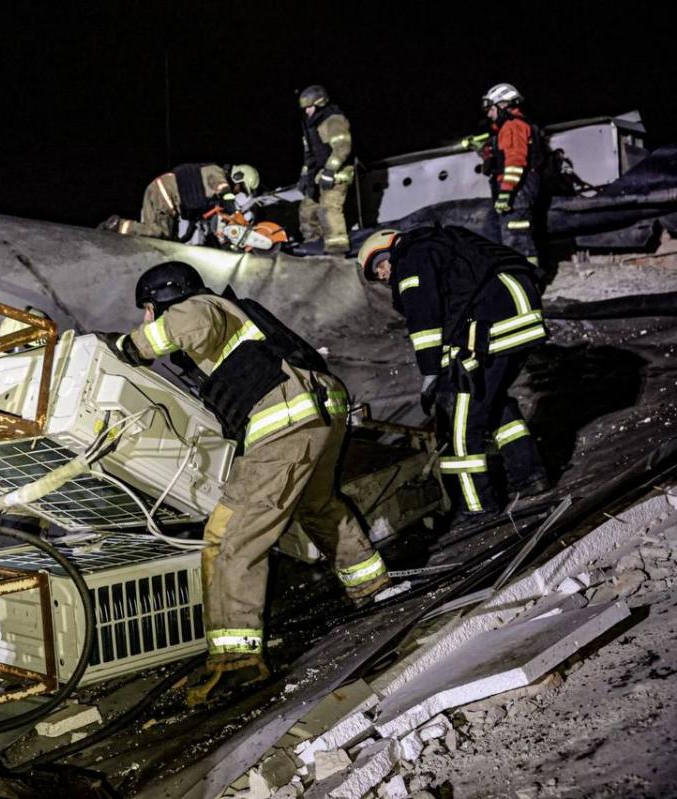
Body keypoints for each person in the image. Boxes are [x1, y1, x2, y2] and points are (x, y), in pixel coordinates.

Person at [98, 261, 389, 703]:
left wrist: (128, 346)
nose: (146, 317)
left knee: (229, 536)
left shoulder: (198, 306)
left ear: (163, 298)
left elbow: (185, 325)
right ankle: (373, 587)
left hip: (287, 422)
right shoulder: (234, 317)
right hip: (319, 410)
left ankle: (237, 660)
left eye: (147, 308)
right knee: (318, 506)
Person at [357, 227, 551, 522]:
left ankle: (477, 505)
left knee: (461, 425)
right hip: (521, 318)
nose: (382, 275)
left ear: (388, 249)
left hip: (497, 326)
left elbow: (424, 319)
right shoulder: (439, 246)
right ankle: (530, 476)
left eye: (379, 265)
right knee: (493, 402)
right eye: (376, 275)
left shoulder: (410, 259)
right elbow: (457, 307)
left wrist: (430, 373)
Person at [463, 83, 547, 265]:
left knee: (517, 237)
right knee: (513, 235)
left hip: (518, 190)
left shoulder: (512, 126)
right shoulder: (512, 126)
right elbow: (499, 155)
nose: (488, 114)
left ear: (502, 105)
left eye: (491, 109)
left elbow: (515, 162)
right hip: (518, 188)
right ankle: (524, 273)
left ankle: (528, 276)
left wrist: (506, 192)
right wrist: (480, 148)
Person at [106, 163, 259, 240]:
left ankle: (111, 229)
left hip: (163, 192)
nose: (238, 192)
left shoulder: (210, 192)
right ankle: (118, 225)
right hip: (165, 191)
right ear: (237, 177)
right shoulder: (216, 172)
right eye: (241, 188)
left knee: (165, 241)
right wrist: (234, 211)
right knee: (161, 233)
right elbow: (222, 188)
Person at [296, 85, 353, 254]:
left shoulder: (333, 120)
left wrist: (330, 171)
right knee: (307, 209)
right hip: (318, 175)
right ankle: (314, 243)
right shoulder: (311, 127)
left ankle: (337, 248)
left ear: (320, 103)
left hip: (337, 174)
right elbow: (310, 156)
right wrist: (304, 177)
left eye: (309, 107)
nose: (306, 111)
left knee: (329, 207)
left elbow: (342, 147)